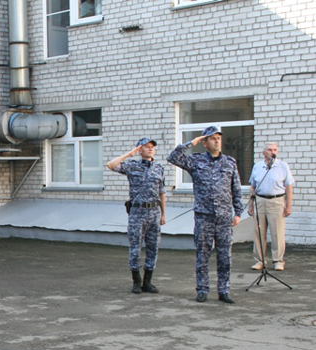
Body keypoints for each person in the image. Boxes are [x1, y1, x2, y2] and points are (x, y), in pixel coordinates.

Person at [167, 125, 243, 304]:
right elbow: (172, 157)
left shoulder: (229, 162)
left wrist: (238, 212)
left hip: (224, 216)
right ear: (205, 143)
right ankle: (202, 289)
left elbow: (236, 189)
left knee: (225, 256)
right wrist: (191, 143)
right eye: (212, 138)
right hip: (204, 216)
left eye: (218, 138)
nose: (217, 140)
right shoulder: (196, 161)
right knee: (203, 254)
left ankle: (224, 290)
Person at [107, 137, 166, 294]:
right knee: (135, 248)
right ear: (140, 150)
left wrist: (163, 214)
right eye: (146, 147)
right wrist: (129, 154)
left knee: (153, 247)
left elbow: (162, 192)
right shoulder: (132, 166)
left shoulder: (159, 168)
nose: (150, 149)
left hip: (154, 212)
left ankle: (147, 282)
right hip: (137, 213)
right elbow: (111, 165)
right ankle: (136, 281)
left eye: (152, 146)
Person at [247, 142, 294, 271]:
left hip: (277, 201)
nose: (272, 152)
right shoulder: (258, 166)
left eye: (275, 149)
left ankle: (278, 260)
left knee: (277, 232)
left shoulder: (283, 166)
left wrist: (288, 206)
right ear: (263, 153)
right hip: (260, 201)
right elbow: (253, 186)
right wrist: (250, 206)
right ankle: (259, 260)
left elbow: (289, 187)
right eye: (269, 149)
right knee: (259, 232)